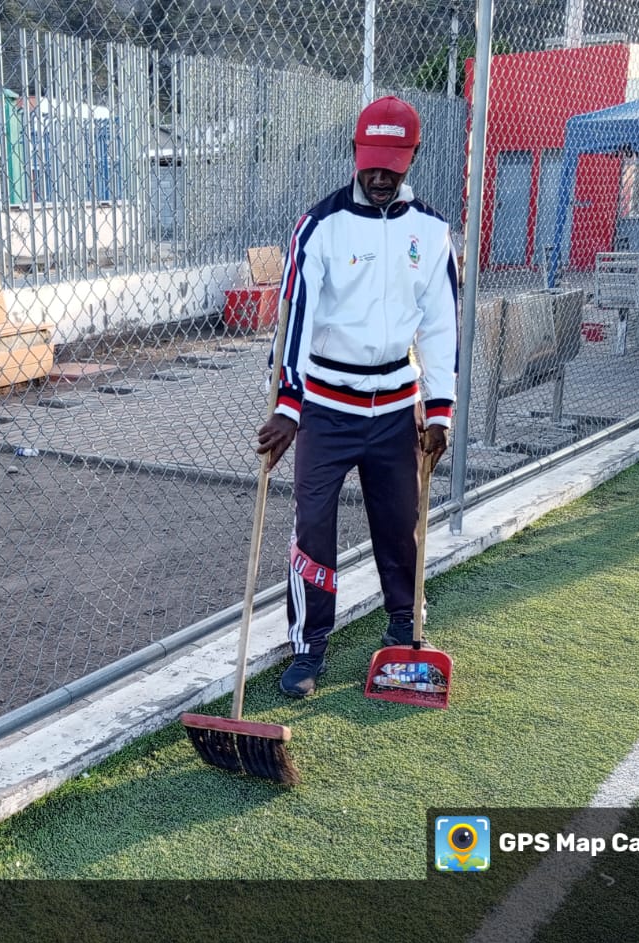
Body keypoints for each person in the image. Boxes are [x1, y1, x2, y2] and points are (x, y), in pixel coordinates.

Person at [255, 95, 458, 698]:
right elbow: (294, 318)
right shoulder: (320, 226)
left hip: (396, 406)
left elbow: (440, 323)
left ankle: (404, 627)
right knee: (312, 527)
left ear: (411, 157)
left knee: (399, 524)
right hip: (325, 406)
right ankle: (309, 646)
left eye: (392, 165)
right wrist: (288, 404)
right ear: (354, 153)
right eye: (371, 163)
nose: (380, 177)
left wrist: (440, 408)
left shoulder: (432, 232)